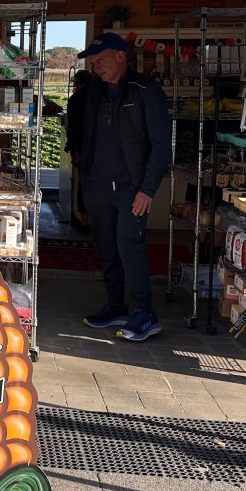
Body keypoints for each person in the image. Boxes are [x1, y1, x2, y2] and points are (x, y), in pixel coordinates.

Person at [77, 33, 172, 341]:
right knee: (106, 248)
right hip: (97, 186)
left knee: (128, 246)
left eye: (100, 61)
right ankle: (116, 305)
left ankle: (145, 313)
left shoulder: (146, 90)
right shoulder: (94, 92)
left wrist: (148, 189)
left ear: (120, 56)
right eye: (93, 63)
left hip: (132, 189)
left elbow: (160, 145)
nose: (97, 68)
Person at [64, 70, 91, 231]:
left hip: (82, 147)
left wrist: (74, 150)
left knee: (84, 184)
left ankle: (84, 219)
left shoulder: (75, 100)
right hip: (99, 149)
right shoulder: (100, 97)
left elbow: (73, 128)